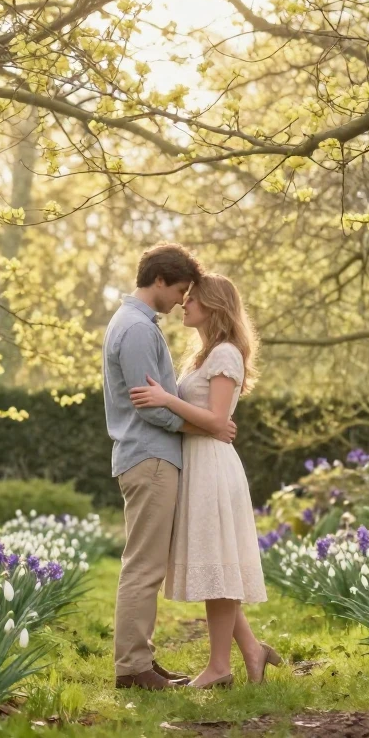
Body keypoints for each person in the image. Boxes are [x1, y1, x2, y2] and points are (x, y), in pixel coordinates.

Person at [130, 274, 281, 689]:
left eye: (192, 299)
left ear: (214, 306)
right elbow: (211, 421)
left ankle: (219, 668)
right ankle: (251, 650)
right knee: (216, 568)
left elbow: (217, 420)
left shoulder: (227, 354)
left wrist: (165, 399)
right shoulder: (204, 355)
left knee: (219, 568)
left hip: (214, 468)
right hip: (198, 462)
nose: (184, 304)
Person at [102, 243, 236, 690]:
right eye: (180, 289)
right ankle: (133, 669)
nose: (183, 299)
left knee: (145, 564)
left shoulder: (136, 324)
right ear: (160, 280)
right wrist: (209, 428)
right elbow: (152, 408)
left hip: (150, 456)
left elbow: (158, 399)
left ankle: (141, 660)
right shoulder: (138, 330)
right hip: (151, 456)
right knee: (143, 567)